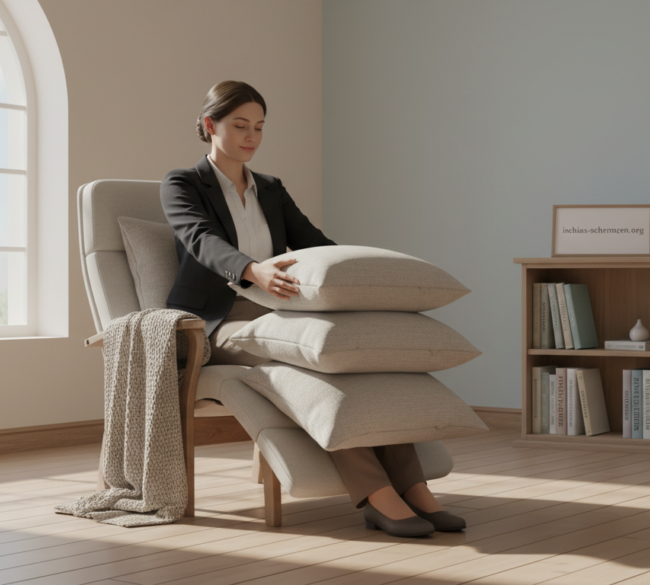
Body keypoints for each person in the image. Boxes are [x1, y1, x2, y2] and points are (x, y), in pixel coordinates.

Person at [160, 81, 464, 537]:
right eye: (240, 125)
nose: (252, 137)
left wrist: (356, 274)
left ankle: (413, 486)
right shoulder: (182, 183)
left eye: (260, 127)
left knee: (361, 364)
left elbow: (316, 245)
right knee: (313, 372)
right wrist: (252, 270)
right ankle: (378, 496)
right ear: (210, 125)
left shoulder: (270, 188)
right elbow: (201, 241)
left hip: (281, 311)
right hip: (219, 320)